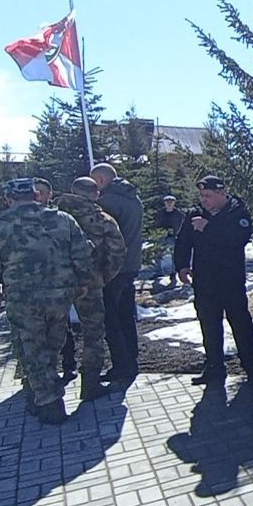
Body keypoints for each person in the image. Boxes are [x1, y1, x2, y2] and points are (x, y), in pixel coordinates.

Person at [0, 178, 94, 424]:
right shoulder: (63, 220)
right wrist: (82, 283)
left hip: (23, 300)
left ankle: (50, 403)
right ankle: (39, 389)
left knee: (33, 349)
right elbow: (83, 255)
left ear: (9, 199)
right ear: (35, 195)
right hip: (59, 297)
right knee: (52, 345)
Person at [175, 175, 253, 386]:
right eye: (202, 196)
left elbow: (238, 239)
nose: (205, 200)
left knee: (240, 324)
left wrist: (208, 228)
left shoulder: (237, 212)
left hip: (231, 280)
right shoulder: (195, 214)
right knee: (209, 325)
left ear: (222, 193)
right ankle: (214, 366)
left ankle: (251, 367)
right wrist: (182, 265)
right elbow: (183, 241)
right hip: (204, 281)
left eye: (209, 196)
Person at [54, 177, 126, 400]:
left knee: (52, 332)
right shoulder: (101, 219)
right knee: (93, 333)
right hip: (89, 284)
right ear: (95, 194)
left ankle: (49, 386)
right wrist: (102, 277)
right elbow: (117, 252)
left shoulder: (50, 217)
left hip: (55, 284)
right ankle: (90, 384)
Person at [89, 162, 144, 384]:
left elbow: (103, 237)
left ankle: (121, 365)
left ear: (101, 181)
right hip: (131, 265)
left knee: (111, 319)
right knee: (126, 316)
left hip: (113, 267)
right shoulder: (133, 198)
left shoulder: (107, 203)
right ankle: (131, 359)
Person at [156, 195, 186, 285]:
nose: (169, 204)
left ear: (174, 203)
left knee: (173, 254)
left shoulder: (178, 214)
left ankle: (173, 272)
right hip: (162, 236)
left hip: (174, 236)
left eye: (171, 202)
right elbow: (156, 223)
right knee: (159, 253)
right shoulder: (160, 213)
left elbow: (182, 224)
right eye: (167, 202)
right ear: (164, 203)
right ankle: (159, 271)